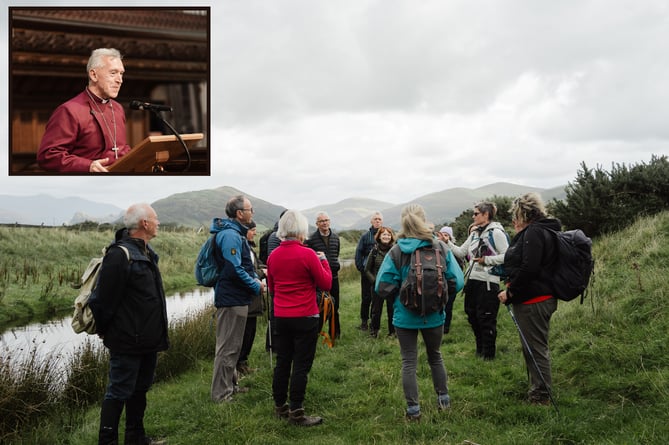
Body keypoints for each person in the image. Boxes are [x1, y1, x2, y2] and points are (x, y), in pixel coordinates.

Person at [88, 203, 168, 445]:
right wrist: (106, 331)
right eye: (155, 219)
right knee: (118, 392)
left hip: (147, 340)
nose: (158, 223)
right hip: (127, 341)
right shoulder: (118, 255)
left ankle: (136, 438)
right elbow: (101, 300)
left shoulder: (146, 252)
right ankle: (108, 441)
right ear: (144, 223)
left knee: (140, 390)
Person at [376, 204, 464, 421]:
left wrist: (400, 297)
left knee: (409, 361)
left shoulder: (397, 250)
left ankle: (413, 410)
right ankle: (443, 399)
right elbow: (458, 281)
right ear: (424, 221)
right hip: (434, 315)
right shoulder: (440, 247)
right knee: (435, 356)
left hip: (405, 317)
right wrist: (439, 296)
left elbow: (381, 285)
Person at [267, 210, 332, 426]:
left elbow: (272, 288)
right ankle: (297, 411)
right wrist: (324, 262)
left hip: (282, 316)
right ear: (302, 230)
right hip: (305, 315)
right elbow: (326, 283)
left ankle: (279, 407)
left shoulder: (273, 256)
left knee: (283, 361)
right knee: (301, 365)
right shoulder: (308, 254)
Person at [497, 192, 560, 405]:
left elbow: (529, 268)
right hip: (542, 297)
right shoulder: (546, 230)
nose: (515, 220)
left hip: (533, 299)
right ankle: (536, 389)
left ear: (523, 213)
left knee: (535, 348)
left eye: (516, 215)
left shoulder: (534, 233)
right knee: (533, 346)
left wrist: (511, 291)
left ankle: (541, 396)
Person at [37, 48, 132, 172]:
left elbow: (120, 149)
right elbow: (48, 156)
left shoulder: (118, 108)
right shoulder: (69, 110)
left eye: (121, 73)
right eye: (113, 73)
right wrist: (88, 166)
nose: (120, 80)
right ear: (93, 75)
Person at [210, 195, 264, 403]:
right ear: (240, 214)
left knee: (233, 346)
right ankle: (221, 395)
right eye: (250, 209)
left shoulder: (235, 234)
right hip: (231, 299)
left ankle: (230, 386)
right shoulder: (231, 236)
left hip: (237, 297)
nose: (252, 213)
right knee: (227, 348)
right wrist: (255, 285)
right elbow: (233, 269)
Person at [447, 202, 509, 360]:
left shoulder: (496, 233)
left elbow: (508, 256)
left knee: (486, 318)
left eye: (476, 214)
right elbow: (461, 252)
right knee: (471, 314)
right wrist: (445, 242)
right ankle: (479, 349)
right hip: (472, 281)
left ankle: (489, 355)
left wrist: (486, 260)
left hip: (489, 282)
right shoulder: (474, 233)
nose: (473, 216)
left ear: (486, 214)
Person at [305, 211, 341, 339]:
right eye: (321, 221)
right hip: (320, 279)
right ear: (317, 224)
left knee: (335, 306)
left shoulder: (336, 238)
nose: (324, 223)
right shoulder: (311, 240)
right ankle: (317, 333)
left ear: (329, 221)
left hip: (334, 278)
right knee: (319, 306)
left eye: (326, 220)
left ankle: (335, 334)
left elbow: (336, 255)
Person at [237, 220, 265, 376]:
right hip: (246, 299)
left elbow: (258, 265)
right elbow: (246, 271)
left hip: (253, 299)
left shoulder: (250, 248)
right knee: (245, 333)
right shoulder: (242, 248)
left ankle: (243, 364)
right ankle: (239, 365)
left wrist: (263, 270)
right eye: (252, 230)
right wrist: (262, 274)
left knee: (250, 332)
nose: (255, 233)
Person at [364, 226, 396, 338]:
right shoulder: (374, 251)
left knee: (392, 309)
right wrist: (374, 281)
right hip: (377, 286)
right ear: (379, 236)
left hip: (391, 285)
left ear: (391, 237)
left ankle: (393, 332)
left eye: (388, 234)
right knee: (376, 310)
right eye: (384, 234)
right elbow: (367, 269)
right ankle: (374, 331)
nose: (386, 236)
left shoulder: (395, 251)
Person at [354, 212, 384, 331]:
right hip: (367, 272)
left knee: (377, 299)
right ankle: (364, 322)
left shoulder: (385, 235)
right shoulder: (365, 237)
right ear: (371, 221)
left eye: (379, 219)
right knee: (366, 298)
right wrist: (361, 269)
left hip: (380, 273)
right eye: (375, 219)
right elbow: (358, 253)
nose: (377, 221)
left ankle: (374, 322)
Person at [436, 226, 460, 334]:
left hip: (450, 282)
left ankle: (446, 327)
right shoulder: (434, 249)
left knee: (448, 305)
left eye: (447, 235)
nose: (444, 237)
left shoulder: (454, 250)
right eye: (442, 235)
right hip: (438, 282)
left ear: (450, 237)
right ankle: (437, 325)